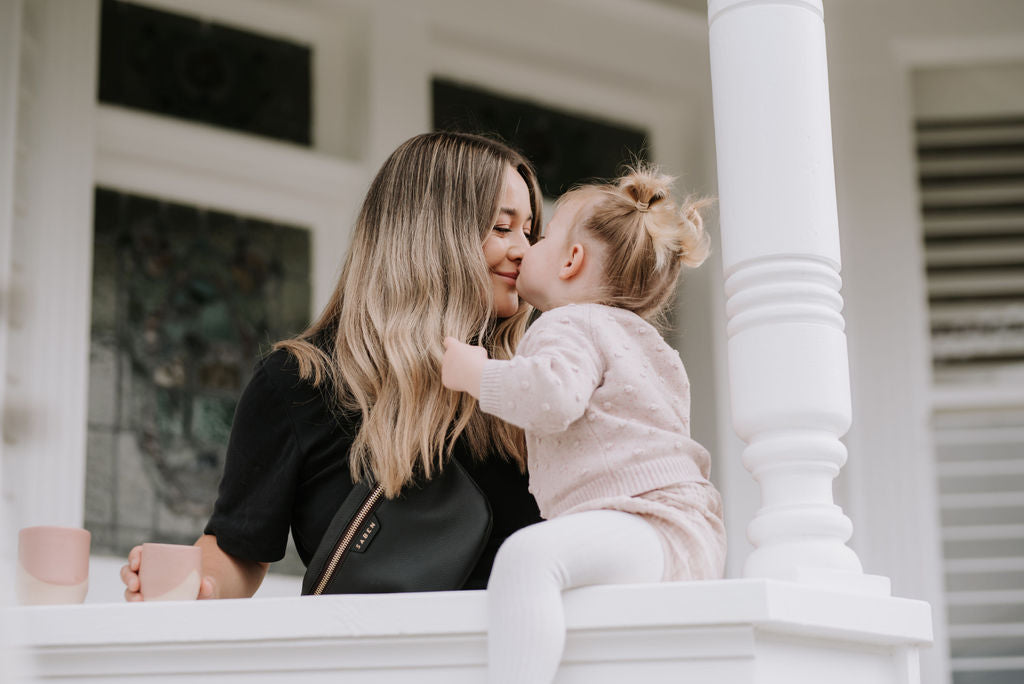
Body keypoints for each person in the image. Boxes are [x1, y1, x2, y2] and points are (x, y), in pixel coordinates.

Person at [121, 131, 544, 600]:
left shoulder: (537, 383)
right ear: (431, 233)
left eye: (529, 231)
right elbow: (238, 549)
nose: (525, 250)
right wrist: (190, 585)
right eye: (503, 229)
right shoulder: (300, 382)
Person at [441, 165, 727, 683]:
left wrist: (477, 373)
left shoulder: (568, 323)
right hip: (684, 533)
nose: (527, 247)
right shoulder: (643, 342)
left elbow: (552, 397)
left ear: (572, 260)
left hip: (648, 523)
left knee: (528, 559)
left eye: (542, 236)